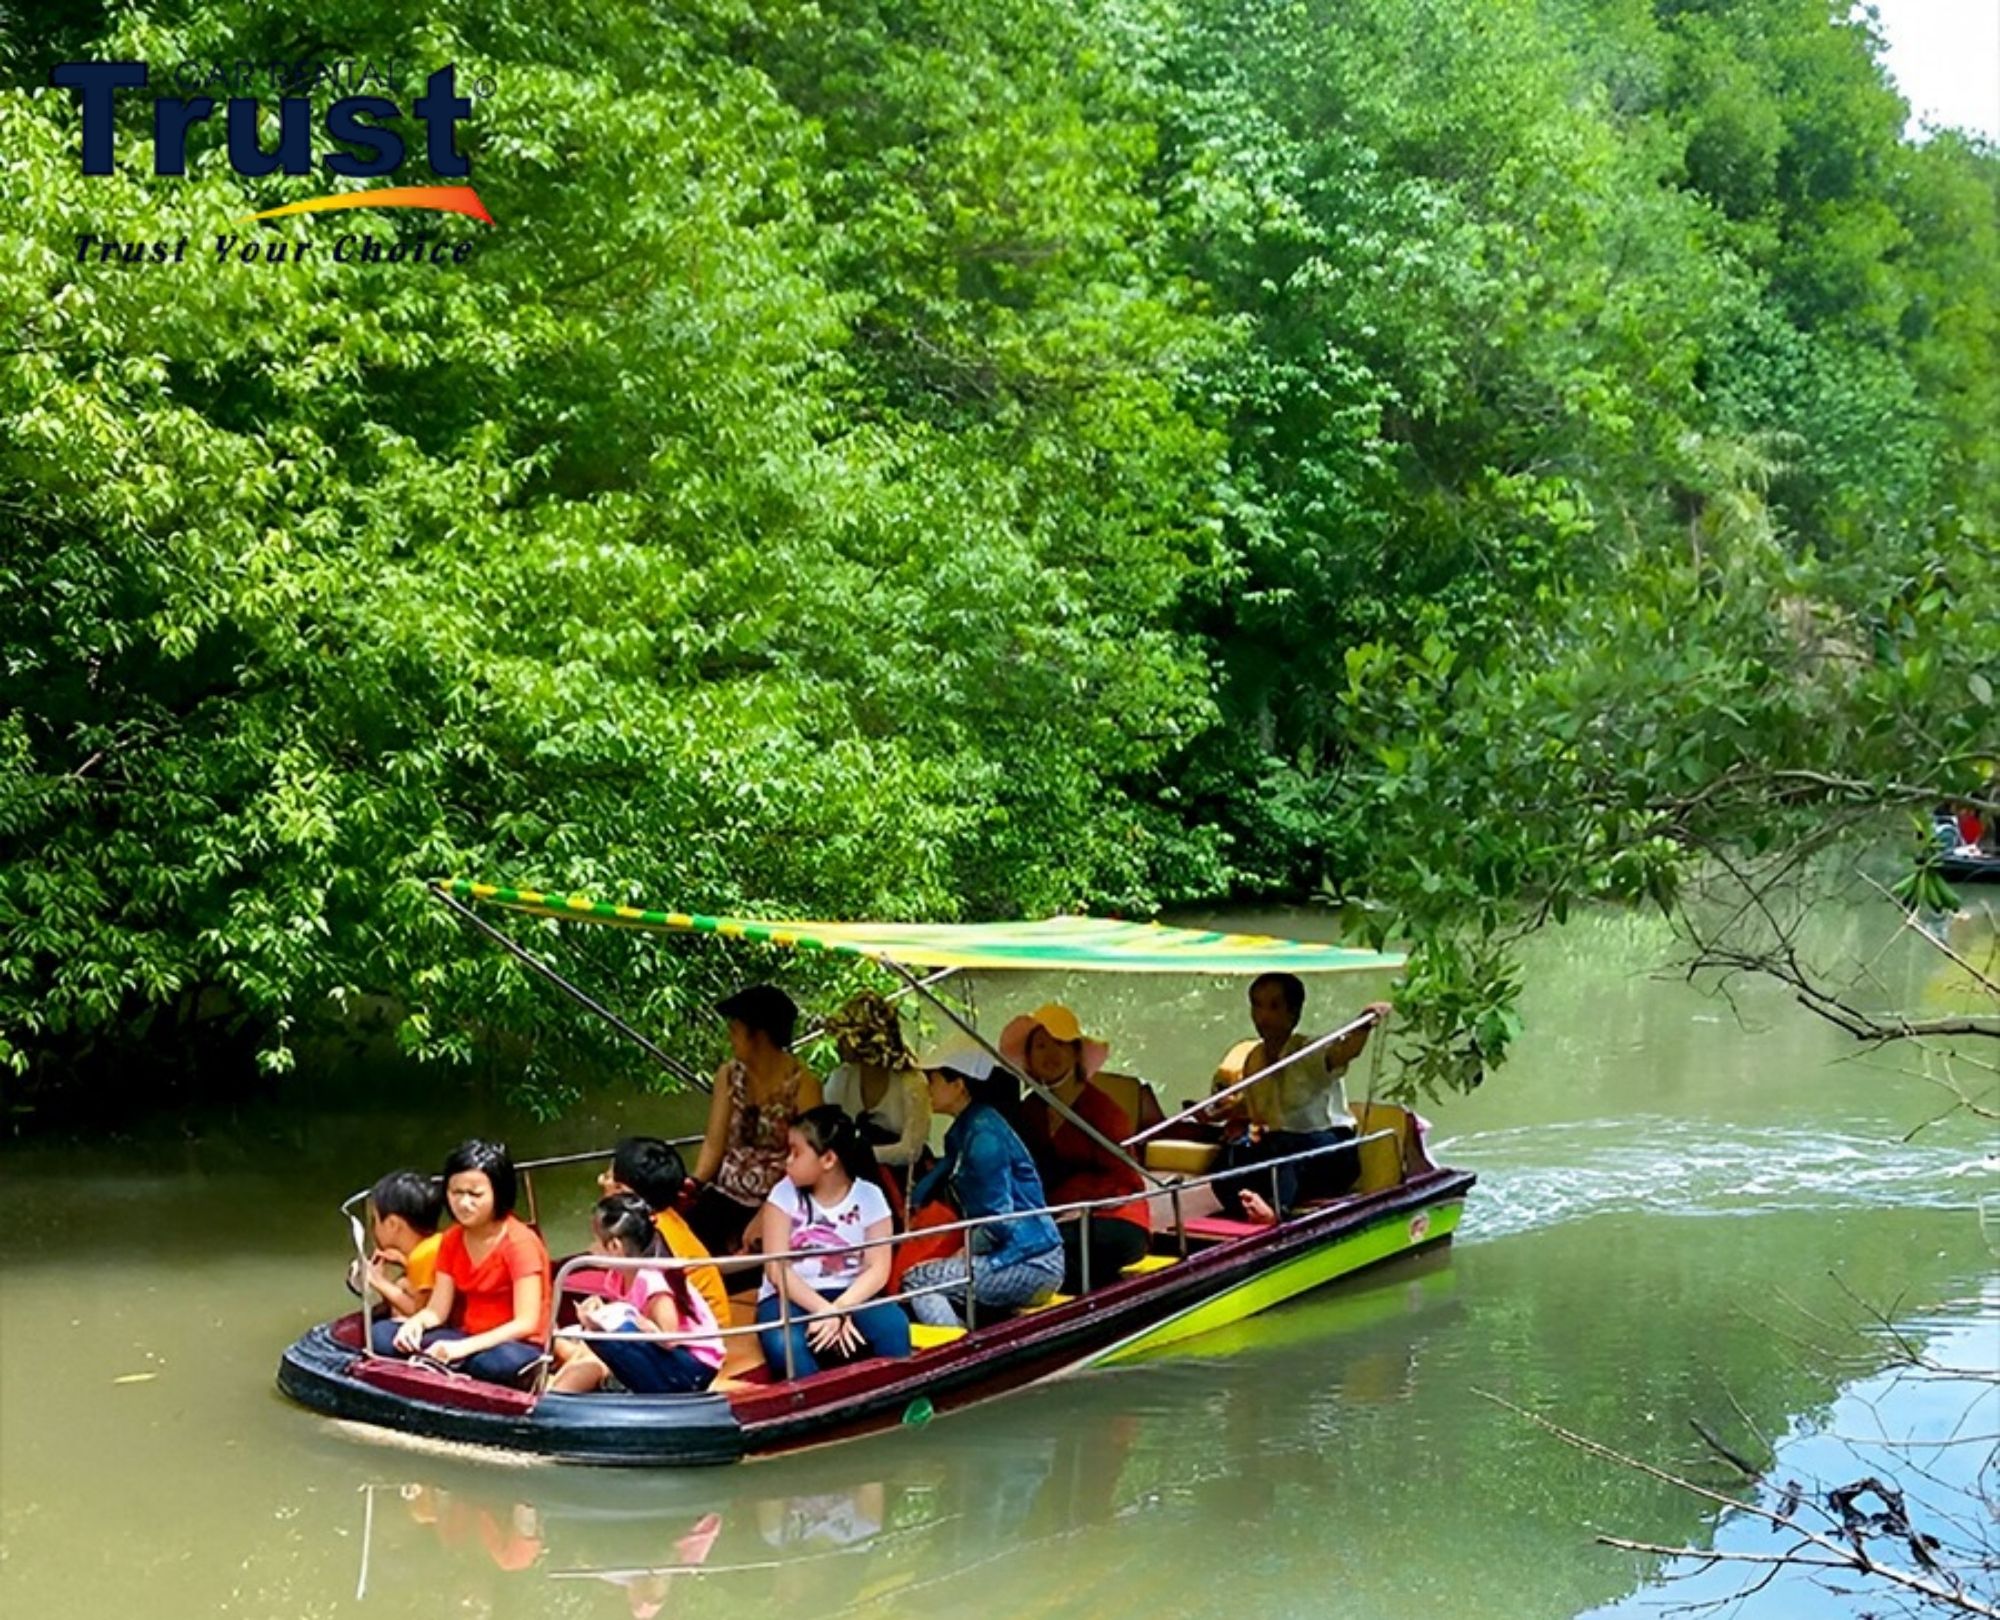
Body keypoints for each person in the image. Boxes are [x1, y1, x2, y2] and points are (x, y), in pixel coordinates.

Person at [902, 1045, 1064, 1327]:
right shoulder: (965, 1130)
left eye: (933, 1081)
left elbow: (998, 1220)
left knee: (919, 1280)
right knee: (928, 1273)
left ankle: (955, 1353)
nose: (927, 1089)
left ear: (958, 1085)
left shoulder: (983, 1139)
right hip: (1015, 1252)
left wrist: (966, 1257)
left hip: (1031, 1260)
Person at [1206, 974, 1390, 1220]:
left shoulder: (1309, 1050)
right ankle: (1244, 1210)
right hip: (1281, 1146)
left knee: (1287, 1150)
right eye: (1257, 1006)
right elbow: (1254, 1104)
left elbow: (1344, 1051)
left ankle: (1276, 1213)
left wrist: (1364, 1024)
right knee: (1228, 1159)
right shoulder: (1254, 1058)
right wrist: (1216, 1114)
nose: (1263, 1017)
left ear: (1293, 1013)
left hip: (1331, 1149)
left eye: (1274, 1007)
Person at [1003, 1003, 1153, 1294]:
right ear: (1030, 1058)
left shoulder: (1104, 1111)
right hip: (1055, 1218)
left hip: (1115, 1217)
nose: (1050, 1054)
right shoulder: (1030, 1110)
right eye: (1041, 1046)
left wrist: (1073, 1205)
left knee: (1047, 1246)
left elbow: (1126, 1182)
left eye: (1060, 1044)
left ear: (1075, 1052)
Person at [755, 1106, 911, 1379]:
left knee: (893, 1326)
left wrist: (839, 1309)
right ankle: (817, 1406)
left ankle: (892, 1395)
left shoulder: (870, 1197)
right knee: (786, 1344)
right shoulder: (783, 1195)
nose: (787, 1161)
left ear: (828, 1159)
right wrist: (823, 1310)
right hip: (788, 1296)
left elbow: (877, 1269)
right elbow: (776, 1269)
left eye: (796, 1152)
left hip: (851, 1292)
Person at [390, 1139, 552, 1384]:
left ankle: (442, 1368)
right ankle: (443, 1366)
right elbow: (437, 1310)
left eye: (475, 1194)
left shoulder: (520, 1243)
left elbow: (526, 1323)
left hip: (515, 1346)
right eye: (456, 1193)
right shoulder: (452, 1239)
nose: (464, 1203)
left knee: (495, 1365)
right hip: (467, 1336)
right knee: (384, 1336)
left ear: (498, 1193)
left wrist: (462, 1348)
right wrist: (415, 1324)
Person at [685, 984, 823, 1256]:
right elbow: (714, 1144)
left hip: (779, 1197)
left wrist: (771, 1210)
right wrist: (691, 1186)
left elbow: (811, 1158)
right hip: (726, 1194)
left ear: (759, 1035)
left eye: (735, 1031)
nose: (730, 1038)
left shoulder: (804, 1084)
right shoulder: (728, 1075)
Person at [550, 1193, 725, 1394]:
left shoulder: (652, 1280)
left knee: (607, 1337)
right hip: (663, 1355)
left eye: (596, 1241)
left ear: (615, 1246)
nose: (591, 1248)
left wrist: (642, 1326)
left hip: (692, 1364)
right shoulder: (616, 1276)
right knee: (596, 1334)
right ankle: (562, 1387)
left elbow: (670, 1338)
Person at [598, 1135, 731, 1327]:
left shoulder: (648, 1236)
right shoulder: (664, 1217)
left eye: (609, 1177)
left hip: (701, 1335)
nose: (601, 1180)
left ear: (624, 1192)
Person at [821, 991, 932, 1174]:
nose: (838, 1043)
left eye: (845, 1036)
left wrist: (861, 1154)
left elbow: (911, 1151)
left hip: (899, 1181)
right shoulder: (842, 1079)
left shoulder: (911, 1083)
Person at [362, 1169, 445, 1354]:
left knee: (381, 1333)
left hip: (446, 1329)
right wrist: (406, 1263)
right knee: (403, 1283)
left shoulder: (423, 1255)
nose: (374, 1227)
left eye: (376, 1220)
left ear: (393, 1224)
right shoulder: (436, 1243)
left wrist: (378, 1282)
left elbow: (419, 1312)